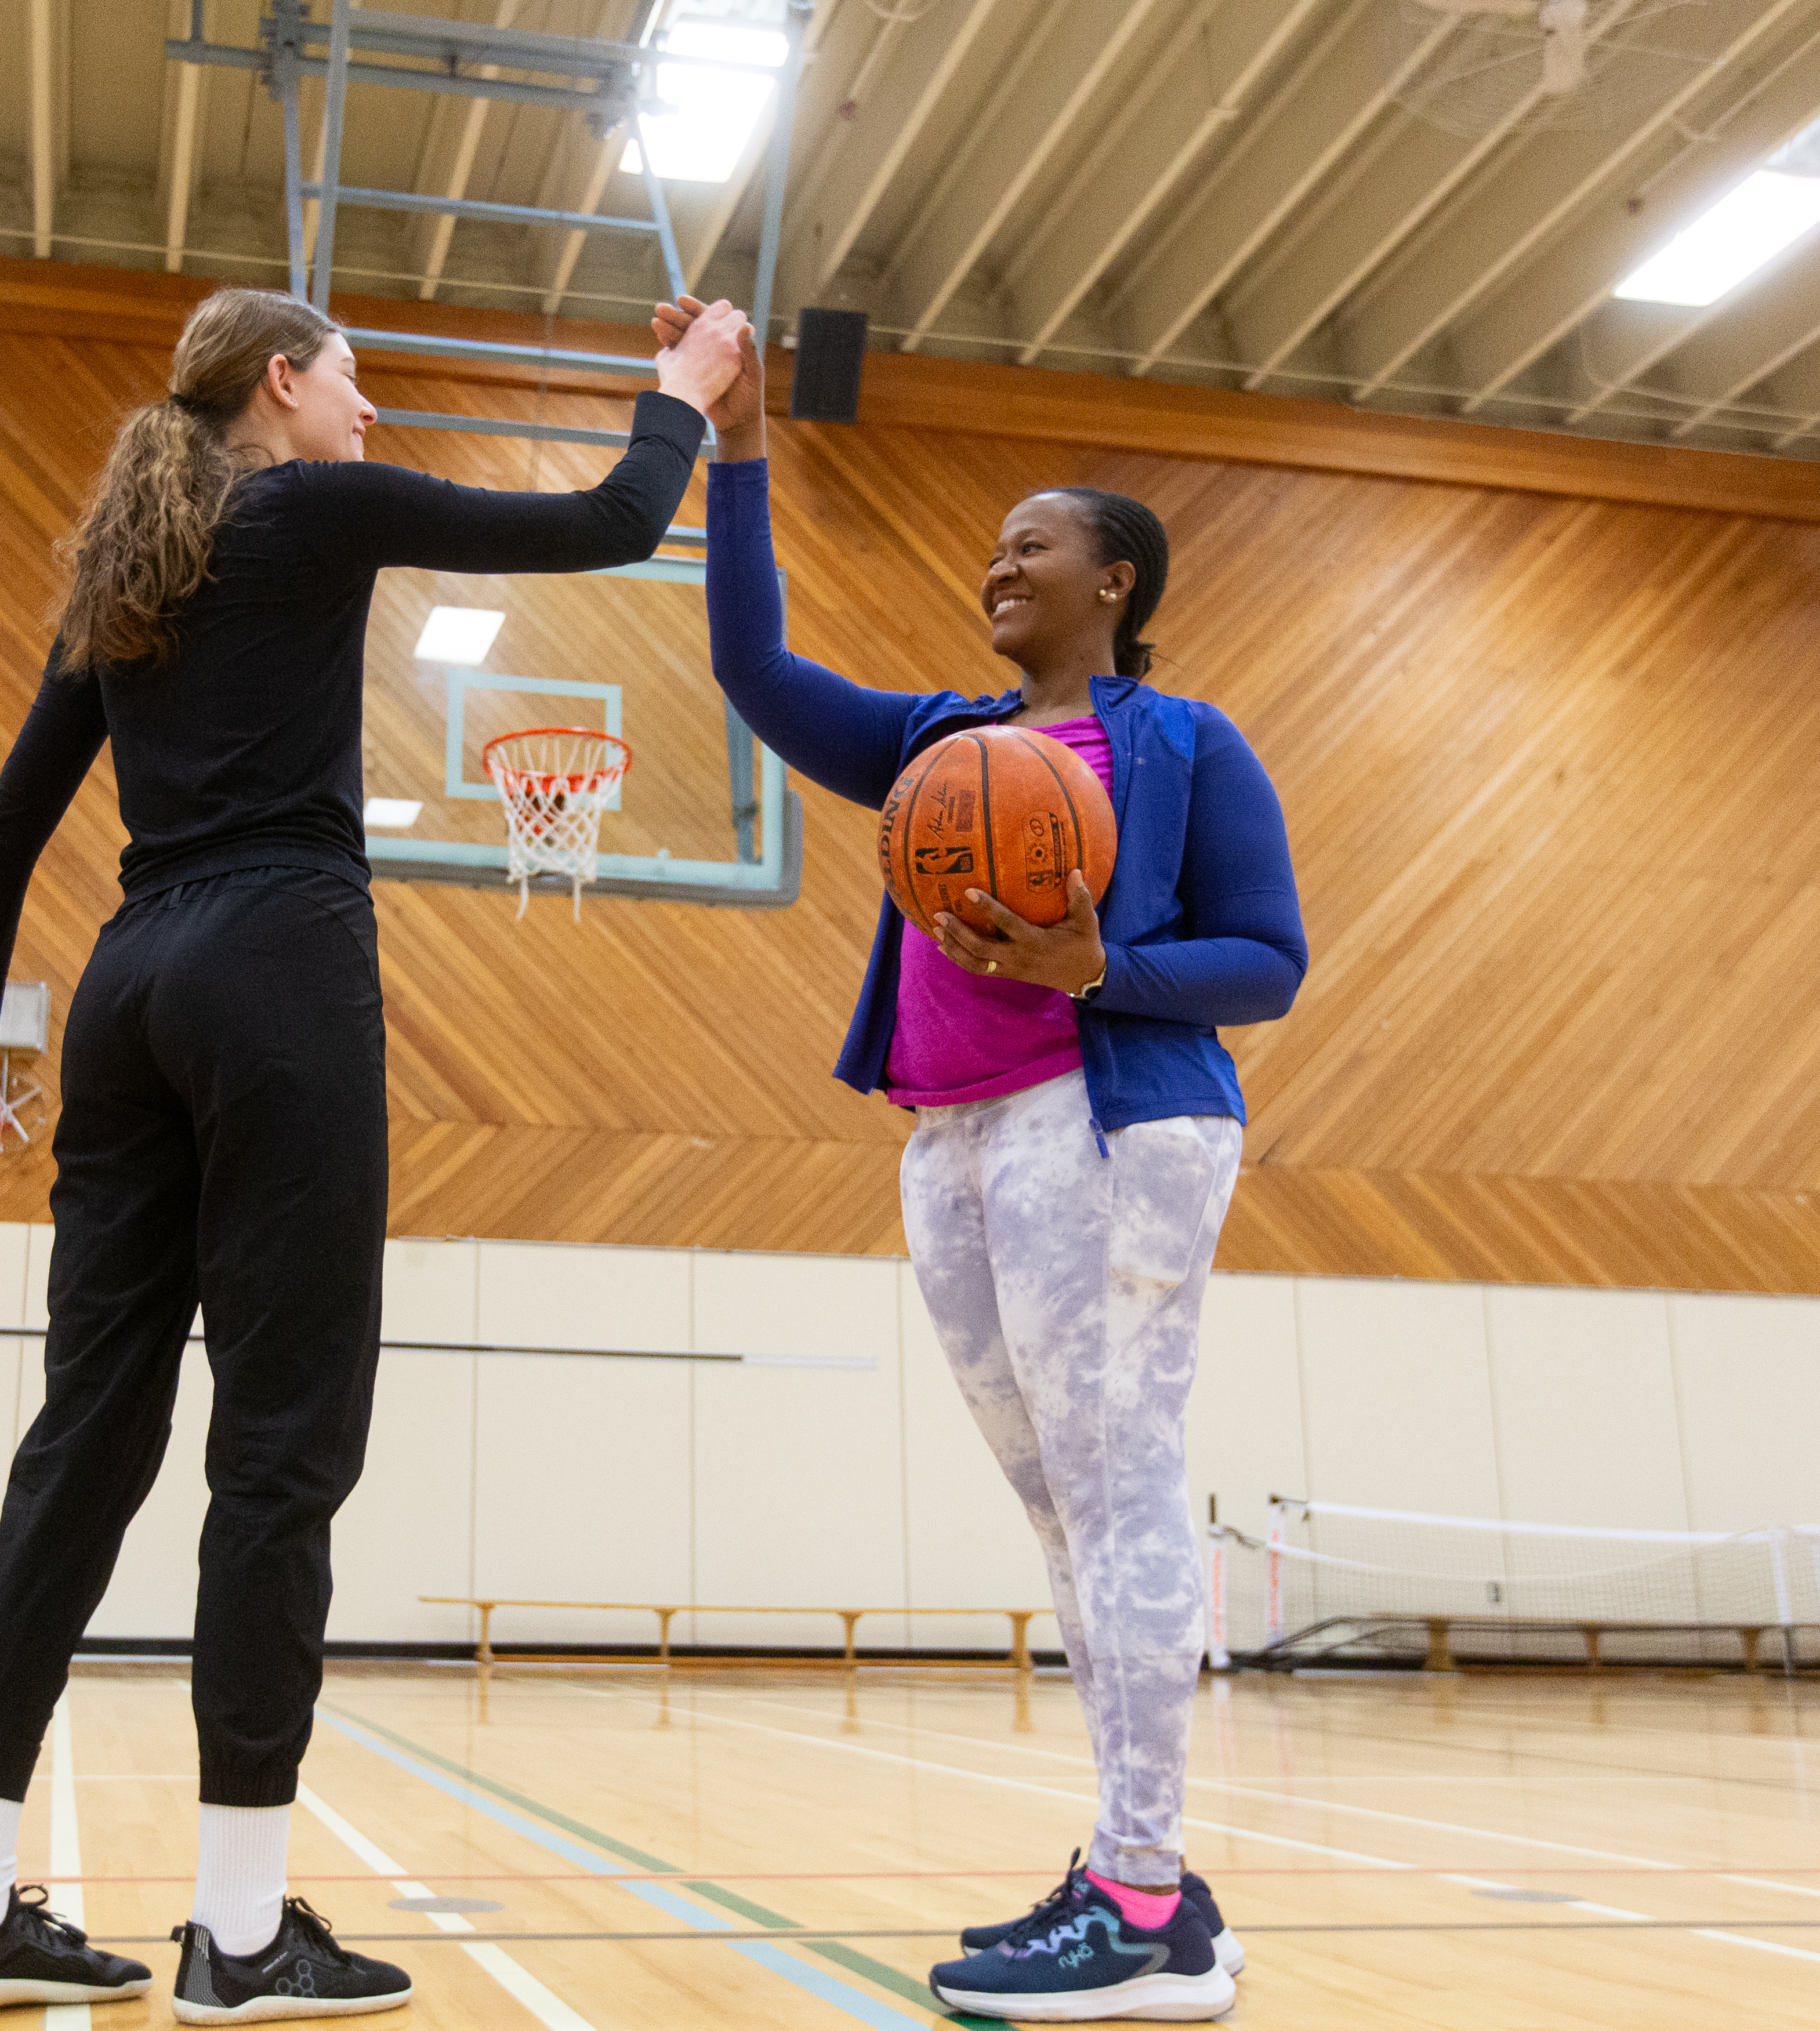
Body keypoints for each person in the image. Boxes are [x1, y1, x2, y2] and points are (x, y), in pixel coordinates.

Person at [0, 285, 750, 2026]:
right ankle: (237, 1928)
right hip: (278, 958)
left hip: (129, 985)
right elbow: (608, 522)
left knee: (82, 1445)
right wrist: (682, 387)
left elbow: (1, 837)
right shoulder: (315, 507)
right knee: (282, 1453)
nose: (369, 410)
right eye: (354, 377)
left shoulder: (127, 579)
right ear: (282, 384)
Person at [655, 296, 1305, 2025]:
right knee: (1056, 1513)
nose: (1000, 566)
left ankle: (1147, 1899)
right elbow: (758, 676)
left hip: (1113, 1125)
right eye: (995, 550)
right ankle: (1138, 1874)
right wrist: (737, 454)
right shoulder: (945, 739)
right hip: (947, 1141)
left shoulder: (1184, 745)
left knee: (1120, 1486)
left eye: (1037, 548)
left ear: (1120, 585)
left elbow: (1272, 962)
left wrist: (1101, 968)